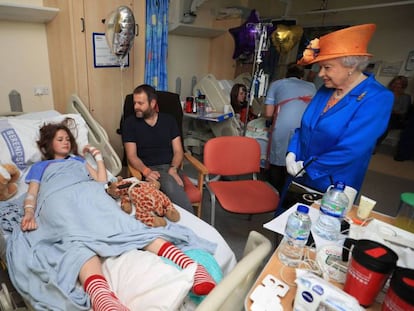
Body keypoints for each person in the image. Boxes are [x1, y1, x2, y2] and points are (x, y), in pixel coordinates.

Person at [8, 122, 216, 310]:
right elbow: (33, 193)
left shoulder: (78, 161)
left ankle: (192, 266)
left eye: (67, 139)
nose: (65, 143)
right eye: (59, 139)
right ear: (48, 144)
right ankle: (101, 297)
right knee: (73, 237)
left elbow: (100, 181)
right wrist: (28, 212)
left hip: (89, 194)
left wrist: (97, 157)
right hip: (57, 199)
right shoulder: (40, 167)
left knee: (127, 224)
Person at [286, 24, 393, 194]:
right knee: (288, 217)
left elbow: (351, 148)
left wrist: (307, 167)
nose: (321, 74)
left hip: (333, 183)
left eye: (327, 67)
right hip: (298, 173)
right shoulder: (326, 89)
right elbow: (305, 128)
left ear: (351, 66)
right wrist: (292, 152)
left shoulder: (377, 98)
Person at [122, 84, 193, 212]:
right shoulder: (130, 124)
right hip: (148, 170)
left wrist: (173, 169)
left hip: (170, 167)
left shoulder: (169, 121)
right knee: (170, 186)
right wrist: (146, 171)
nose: (135, 107)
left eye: (140, 103)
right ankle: (192, 224)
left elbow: (178, 151)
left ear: (153, 103)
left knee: (171, 185)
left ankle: (184, 223)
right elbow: (131, 155)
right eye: (134, 103)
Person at [264, 63, 316, 192]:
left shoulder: (276, 84)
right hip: (305, 127)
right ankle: (290, 192)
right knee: (297, 159)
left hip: (283, 125)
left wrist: (268, 123)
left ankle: (274, 192)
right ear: (302, 75)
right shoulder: (312, 86)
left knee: (278, 158)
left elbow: (269, 114)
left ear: (286, 74)